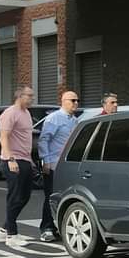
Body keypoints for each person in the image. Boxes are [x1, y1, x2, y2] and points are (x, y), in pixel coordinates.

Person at [0, 86, 37, 248]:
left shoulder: (26, 113)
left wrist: (30, 161)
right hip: (12, 160)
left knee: (25, 196)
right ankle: (11, 235)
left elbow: (25, 139)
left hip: (24, 160)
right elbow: (3, 138)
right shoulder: (10, 113)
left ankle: (4, 229)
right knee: (15, 197)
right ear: (20, 96)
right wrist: (11, 159)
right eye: (29, 96)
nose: (32, 98)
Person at [37, 91, 80, 242]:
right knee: (51, 196)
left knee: (65, 197)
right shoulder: (54, 118)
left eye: (77, 100)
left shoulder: (74, 120)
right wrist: (46, 161)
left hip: (67, 165)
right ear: (63, 101)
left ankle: (60, 227)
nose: (76, 103)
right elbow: (44, 140)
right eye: (73, 100)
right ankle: (47, 228)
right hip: (54, 164)